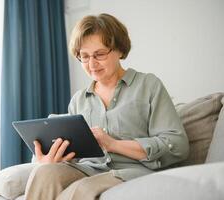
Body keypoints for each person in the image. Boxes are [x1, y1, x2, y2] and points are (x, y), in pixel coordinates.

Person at [23, 13, 190, 200]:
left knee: (82, 190)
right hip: (88, 169)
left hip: (132, 172)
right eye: (84, 57)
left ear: (119, 49)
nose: (92, 64)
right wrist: (51, 158)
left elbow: (177, 145)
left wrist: (113, 144)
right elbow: (73, 154)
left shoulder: (148, 85)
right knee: (44, 173)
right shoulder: (79, 99)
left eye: (99, 54)